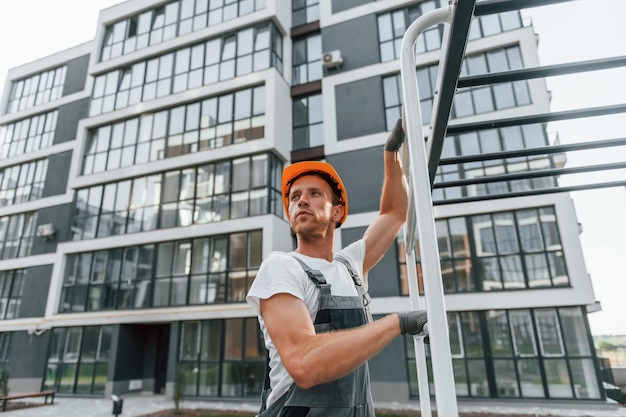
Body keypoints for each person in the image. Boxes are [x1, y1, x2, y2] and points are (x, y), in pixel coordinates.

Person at [246, 118, 428, 417]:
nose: (301, 200)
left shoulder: (349, 266)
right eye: (294, 197)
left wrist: (391, 152)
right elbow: (303, 363)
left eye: (314, 194)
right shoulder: (282, 267)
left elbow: (395, 213)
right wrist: (397, 323)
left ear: (338, 211)